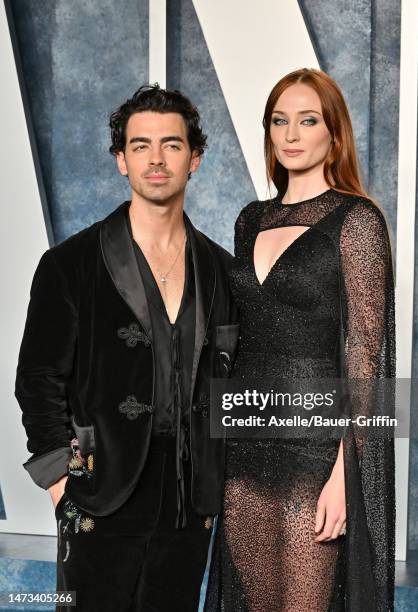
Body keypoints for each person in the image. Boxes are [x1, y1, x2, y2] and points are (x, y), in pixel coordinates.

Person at [15, 84, 239, 612]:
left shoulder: (221, 270)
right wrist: (61, 485)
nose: (156, 159)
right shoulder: (69, 264)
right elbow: (38, 379)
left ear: (195, 159)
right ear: (121, 160)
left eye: (172, 145)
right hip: (98, 488)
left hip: (189, 497)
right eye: (140, 146)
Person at [205, 68, 395, 611]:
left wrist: (345, 475)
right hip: (246, 445)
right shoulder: (250, 219)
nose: (290, 134)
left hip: (317, 451)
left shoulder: (356, 221)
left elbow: (365, 355)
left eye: (306, 120)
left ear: (333, 134)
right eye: (278, 120)